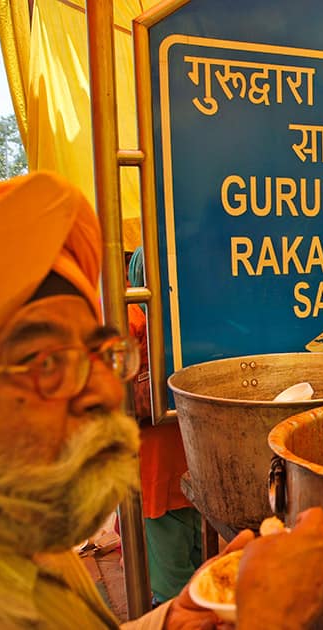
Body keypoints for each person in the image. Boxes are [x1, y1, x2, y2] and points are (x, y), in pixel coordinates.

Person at [0, 171, 323, 629]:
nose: (105, 391)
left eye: (100, 354)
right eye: (46, 362)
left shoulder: (27, 541)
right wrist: (267, 620)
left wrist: (174, 620)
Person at [126, 246, 203, 606]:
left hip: (170, 455)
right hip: (173, 452)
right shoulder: (178, 321)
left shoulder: (134, 321)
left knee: (178, 548)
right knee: (181, 551)